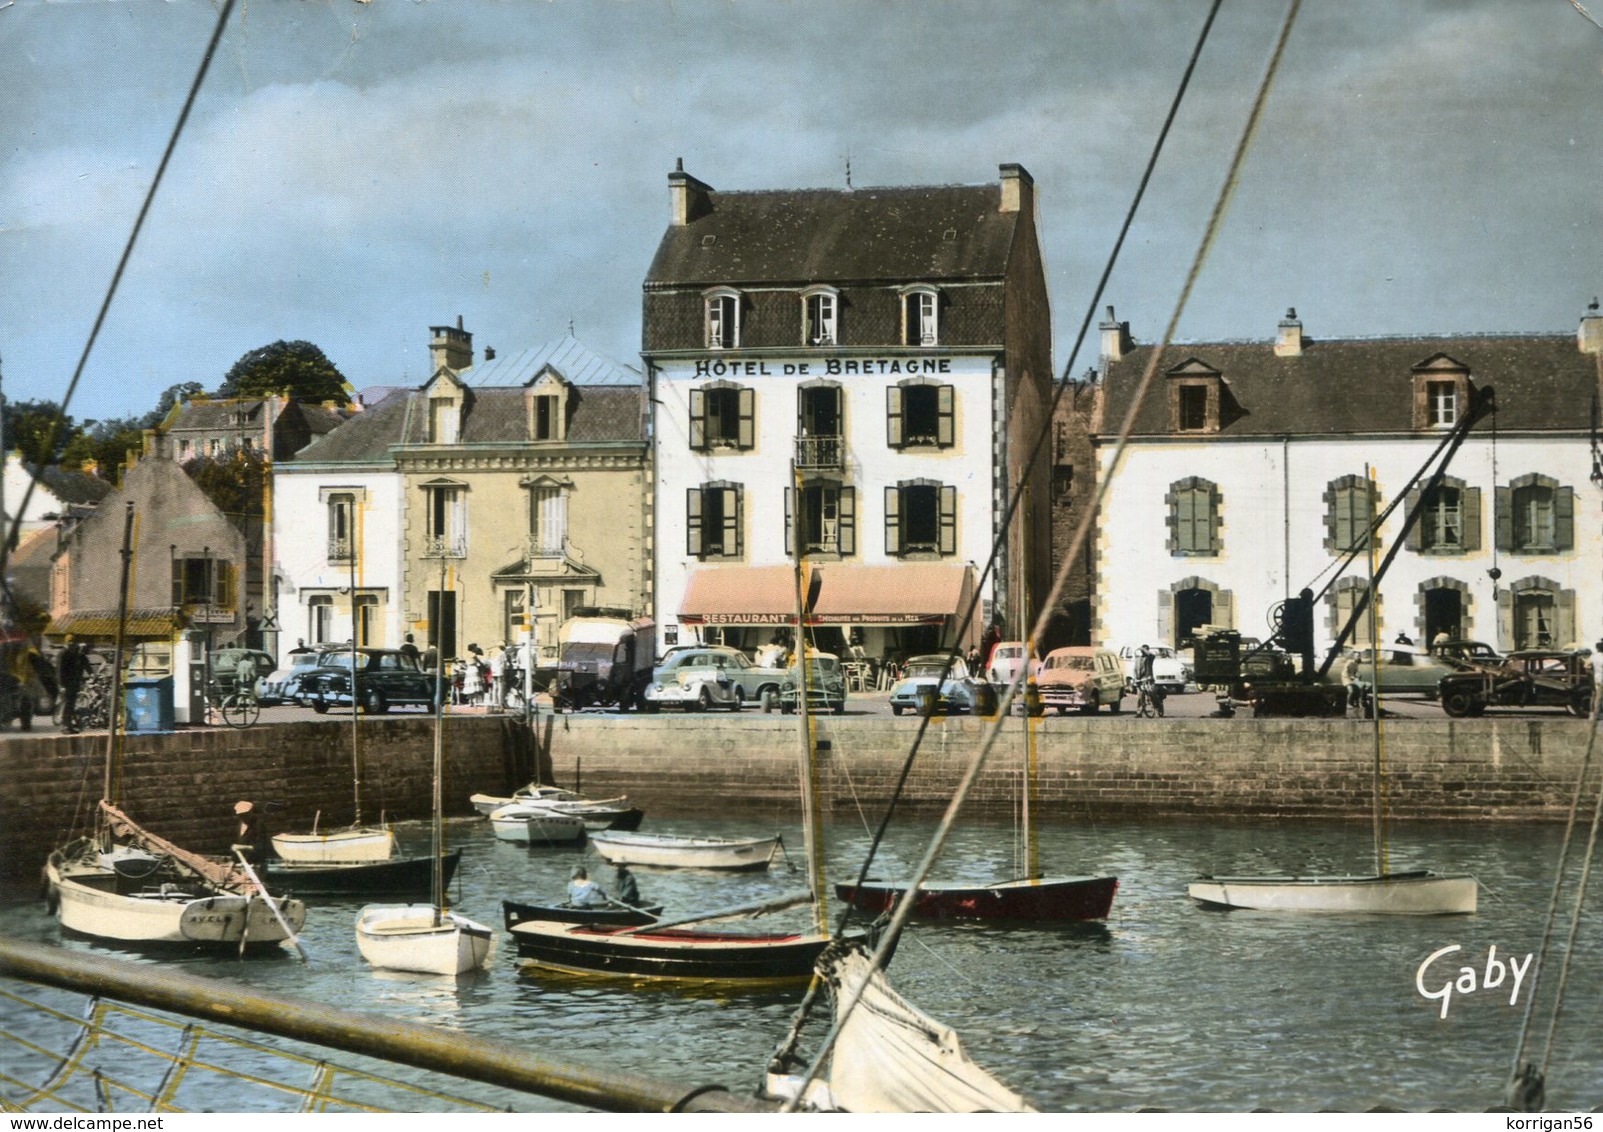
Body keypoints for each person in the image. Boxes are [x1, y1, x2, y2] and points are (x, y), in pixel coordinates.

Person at [56, 638, 89, 734]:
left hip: (73, 684)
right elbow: (60, 671)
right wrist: (61, 685)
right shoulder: (62, 654)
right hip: (66, 685)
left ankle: (69, 725)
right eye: (70, 642)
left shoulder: (73, 653)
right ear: (66, 643)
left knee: (71, 705)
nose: (73, 645)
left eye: (74, 643)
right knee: (66, 705)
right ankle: (64, 726)